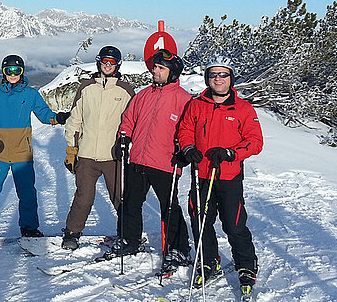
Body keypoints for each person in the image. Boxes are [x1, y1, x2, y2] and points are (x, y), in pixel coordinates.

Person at [177, 56, 263, 296]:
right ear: (207, 78)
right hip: (201, 174)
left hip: (228, 176)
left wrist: (229, 153)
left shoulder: (243, 108)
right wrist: (188, 148)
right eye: (213, 74)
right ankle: (208, 260)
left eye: (223, 74)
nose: (218, 79)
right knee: (201, 221)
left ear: (230, 78)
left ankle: (246, 264)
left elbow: (255, 142)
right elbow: (185, 129)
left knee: (234, 225)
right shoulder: (197, 104)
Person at [0, 55, 67, 243]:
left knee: (27, 192)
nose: (13, 75)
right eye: (9, 71)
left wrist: (58, 118)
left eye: (16, 71)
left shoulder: (30, 94)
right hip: (0, 151)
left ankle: (29, 228)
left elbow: (44, 114)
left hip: (23, 151)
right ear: (3, 73)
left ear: (22, 72)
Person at [110, 48, 191, 270]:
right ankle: (130, 239)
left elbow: (189, 129)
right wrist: (122, 139)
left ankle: (179, 248)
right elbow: (129, 120)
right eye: (155, 67)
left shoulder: (183, 99)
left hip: (166, 162)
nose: (155, 71)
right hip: (138, 159)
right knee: (131, 203)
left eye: (160, 68)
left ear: (172, 72)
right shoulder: (144, 95)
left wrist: (184, 151)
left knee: (169, 207)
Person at [61, 46, 135, 250]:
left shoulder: (125, 91)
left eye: (112, 62)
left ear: (118, 65)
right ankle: (72, 232)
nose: (108, 66)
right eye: (105, 62)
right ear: (99, 62)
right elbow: (75, 120)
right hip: (87, 154)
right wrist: (72, 149)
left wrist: (128, 146)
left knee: (119, 197)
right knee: (83, 197)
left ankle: (127, 233)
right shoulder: (86, 88)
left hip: (114, 156)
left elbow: (132, 122)